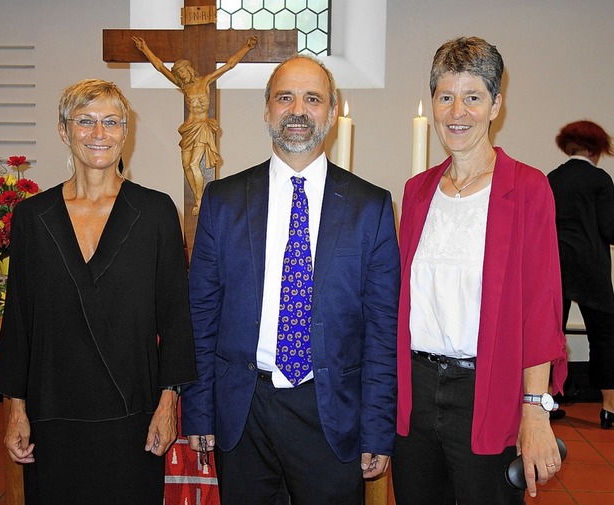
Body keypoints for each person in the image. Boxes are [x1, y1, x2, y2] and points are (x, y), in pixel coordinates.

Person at [180, 55, 400, 504]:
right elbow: (200, 315)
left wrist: (377, 427)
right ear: (267, 109)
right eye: (285, 97)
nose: (298, 110)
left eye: (312, 98)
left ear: (332, 113)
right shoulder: (222, 201)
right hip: (244, 410)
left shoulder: (370, 207)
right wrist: (198, 412)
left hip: (331, 410)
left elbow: (383, 330)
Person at [0, 79, 197, 505]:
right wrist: (15, 408)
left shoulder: (156, 211)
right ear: (65, 131)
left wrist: (167, 404)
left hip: (132, 414)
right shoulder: (32, 215)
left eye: (111, 122)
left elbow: (176, 317)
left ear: (125, 131)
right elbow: (19, 321)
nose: (99, 133)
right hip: (53, 413)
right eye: (85, 121)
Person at [392, 37, 568, 504]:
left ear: (496, 105)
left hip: (488, 391)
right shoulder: (417, 192)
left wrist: (535, 411)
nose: (457, 112)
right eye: (445, 96)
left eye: (473, 97)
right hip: (415, 390)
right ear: (432, 103)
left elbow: (540, 308)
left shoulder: (528, 189)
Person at [132, 35, 257, 216]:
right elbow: (160, 67)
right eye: (178, 74)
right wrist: (144, 49)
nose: (181, 75)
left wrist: (246, 47)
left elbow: (229, 65)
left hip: (202, 128)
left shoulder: (205, 81)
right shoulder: (184, 87)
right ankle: (197, 196)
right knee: (186, 165)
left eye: (182, 72)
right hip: (188, 130)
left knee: (193, 164)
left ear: (189, 70)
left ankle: (199, 200)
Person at [547, 120, 614, 429]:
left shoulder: (552, 178)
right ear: (594, 148)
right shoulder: (600, 179)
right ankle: (609, 408)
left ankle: (548, 401)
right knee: (604, 336)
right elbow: (609, 229)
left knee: (550, 334)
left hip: (554, 266)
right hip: (591, 268)